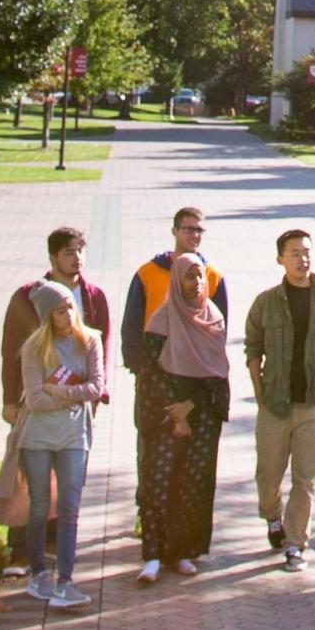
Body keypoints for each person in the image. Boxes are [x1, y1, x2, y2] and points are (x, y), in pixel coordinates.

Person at [0, 228, 111, 579]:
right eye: (67, 252)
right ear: (52, 258)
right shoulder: (27, 297)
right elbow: (11, 347)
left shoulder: (93, 298)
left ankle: (51, 547)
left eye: (80, 251)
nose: (76, 258)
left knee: (66, 477)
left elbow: (102, 347)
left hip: (75, 409)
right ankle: (19, 550)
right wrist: (9, 399)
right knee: (28, 475)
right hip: (35, 401)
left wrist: (96, 397)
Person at [246, 229, 315, 572]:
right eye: (294, 253)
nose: (302, 258)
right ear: (281, 258)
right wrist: (258, 389)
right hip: (274, 403)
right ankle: (272, 516)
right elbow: (253, 345)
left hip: (314, 402)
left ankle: (295, 543)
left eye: (306, 251)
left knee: (306, 478)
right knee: (268, 476)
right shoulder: (267, 301)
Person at [121, 207, 228, 524]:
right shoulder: (148, 273)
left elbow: (218, 334)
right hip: (156, 380)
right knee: (152, 448)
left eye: (198, 230)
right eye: (187, 228)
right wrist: (144, 372)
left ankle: (181, 525)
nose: (193, 235)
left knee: (192, 458)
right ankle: (148, 512)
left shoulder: (213, 277)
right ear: (174, 231)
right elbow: (132, 328)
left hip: (196, 386)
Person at [134, 253, 231, 584]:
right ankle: (153, 555)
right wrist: (175, 412)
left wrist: (189, 409)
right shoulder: (160, 322)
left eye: (201, 277)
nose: (196, 284)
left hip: (202, 414)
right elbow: (149, 372)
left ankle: (182, 552)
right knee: (158, 483)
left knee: (192, 484)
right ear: (177, 281)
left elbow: (217, 375)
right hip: (163, 413)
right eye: (189, 277)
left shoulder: (213, 320)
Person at [17, 281, 106, 609]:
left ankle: (66, 580)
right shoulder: (33, 348)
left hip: (73, 435)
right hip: (37, 437)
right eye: (59, 310)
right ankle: (39, 573)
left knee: (70, 506)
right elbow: (34, 400)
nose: (69, 315)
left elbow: (96, 387)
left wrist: (59, 392)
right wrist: (65, 394)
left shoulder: (91, 341)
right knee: (40, 505)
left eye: (71, 306)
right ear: (46, 317)